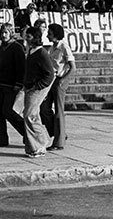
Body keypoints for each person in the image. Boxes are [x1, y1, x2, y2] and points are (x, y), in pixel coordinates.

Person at [40, 23, 76, 151]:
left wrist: (63, 80)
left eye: (49, 33)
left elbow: (73, 67)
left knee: (59, 111)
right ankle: (58, 133)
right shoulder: (52, 48)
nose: (47, 35)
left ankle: (58, 142)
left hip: (59, 80)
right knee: (44, 109)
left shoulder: (63, 47)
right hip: (50, 80)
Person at [0, 23, 26, 147]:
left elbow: (21, 68)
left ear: (11, 33)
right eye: (1, 32)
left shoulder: (17, 47)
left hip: (12, 86)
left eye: (5, 32)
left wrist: (18, 83)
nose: (3, 35)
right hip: (1, 84)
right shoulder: (2, 47)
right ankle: (0, 138)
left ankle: (28, 134)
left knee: (9, 111)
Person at [22, 26, 55, 158]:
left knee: (29, 116)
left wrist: (38, 86)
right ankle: (35, 145)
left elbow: (50, 74)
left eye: (29, 36)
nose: (26, 38)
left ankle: (40, 144)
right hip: (29, 87)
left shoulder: (41, 53)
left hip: (36, 89)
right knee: (33, 115)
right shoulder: (31, 51)